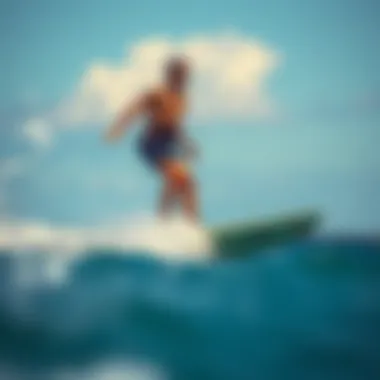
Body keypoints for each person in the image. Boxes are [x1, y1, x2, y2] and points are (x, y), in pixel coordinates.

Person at [105, 56, 199, 221]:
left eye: (187, 75)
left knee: (185, 183)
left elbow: (174, 125)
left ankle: (184, 224)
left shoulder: (183, 98)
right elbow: (133, 109)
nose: (185, 78)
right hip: (152, 144)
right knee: (180, 178)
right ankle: (173, 224)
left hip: (170, 143)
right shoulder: (157, 93)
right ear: (171, 74)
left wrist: (187, 144)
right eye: (182, 74)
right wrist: (117, 129)